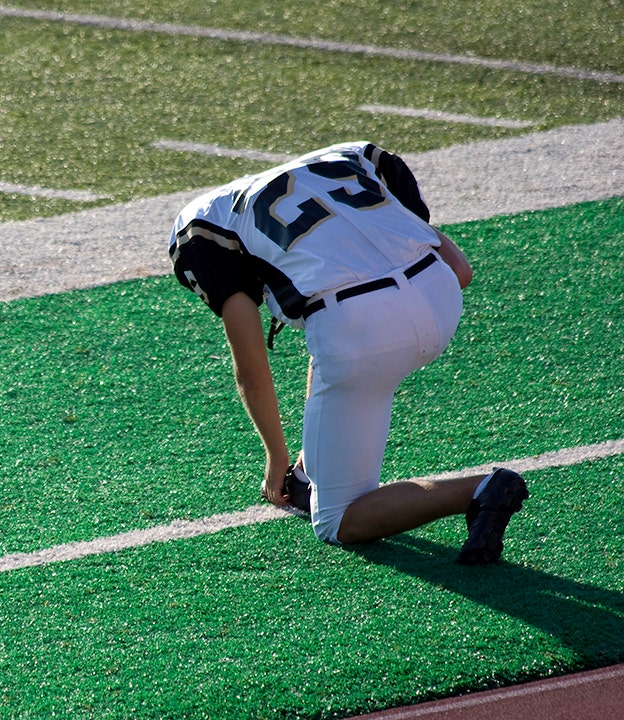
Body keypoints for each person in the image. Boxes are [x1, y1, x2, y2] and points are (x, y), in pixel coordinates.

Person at [167, 141, 527, 564]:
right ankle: (309, 471)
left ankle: (479, 489)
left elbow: (251, 371)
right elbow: (461, 271)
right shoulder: (354, 157)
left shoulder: (200, 227)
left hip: (359, 332)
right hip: (441, 296)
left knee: (338, 520)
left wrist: (275, 457)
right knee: (326, 332)